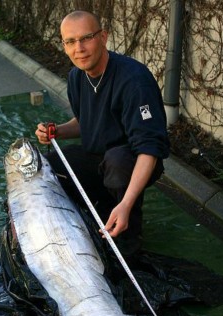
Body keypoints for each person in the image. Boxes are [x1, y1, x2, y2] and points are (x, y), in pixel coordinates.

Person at [36, 10, 170, 257]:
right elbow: (84, 121)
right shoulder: (77, 77)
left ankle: (127, 233)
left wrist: (126, 204)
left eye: (86, 38)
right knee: (51, 164)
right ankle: (85, 220)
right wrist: (56, 131)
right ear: (64, 46)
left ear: (103, 37)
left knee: (117, 162)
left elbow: (149, 149)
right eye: (71, 41)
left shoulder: (134, 81)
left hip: (132, 162)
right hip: (97, 156)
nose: (80, 48)